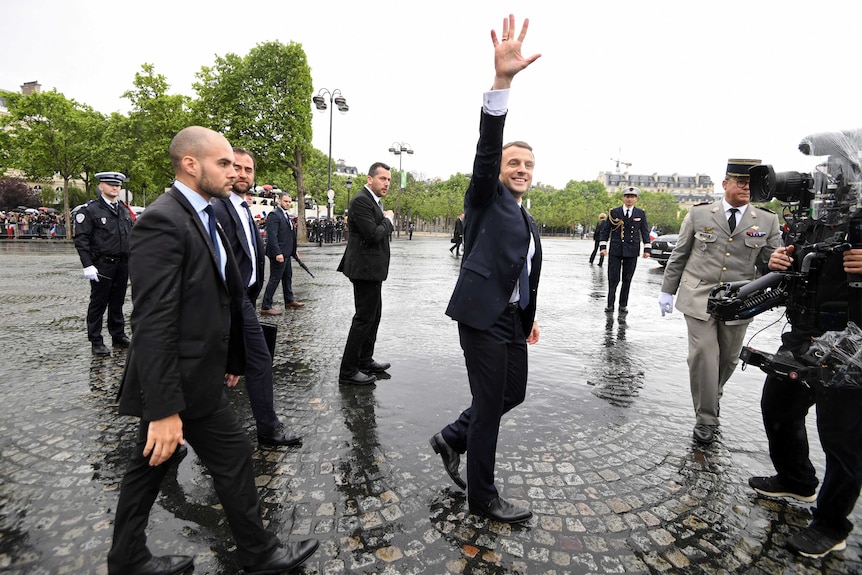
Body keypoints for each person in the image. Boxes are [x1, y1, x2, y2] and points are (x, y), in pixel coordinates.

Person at [107, 126, 318, 575]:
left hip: (196, 371)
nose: (233, 171)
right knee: (228, 456)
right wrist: (165, 409)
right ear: (190, 164)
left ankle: (127, 558)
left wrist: (230, 359)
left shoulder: (207, 214)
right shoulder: (165, 219)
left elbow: (220, 295)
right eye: (222, 163)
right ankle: (258, 554)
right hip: (178, 379)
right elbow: (153, 319)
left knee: (152, 463)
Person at [430, 14, 542, 524]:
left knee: (512, 393)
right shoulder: (484, 197)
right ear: (500, 169)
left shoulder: (525, 216)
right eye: (513, 164)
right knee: (490, 402)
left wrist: (527, 312)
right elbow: (486, 148)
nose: (520, 170)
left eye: (528, 166)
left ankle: (452, 436)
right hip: (480, 318)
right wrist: (502, 83)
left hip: (511, 318)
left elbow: (521, 267)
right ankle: (483, 496)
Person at [747, 157, 862, 557]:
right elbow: (793, 262)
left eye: (839, 170)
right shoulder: (816, 217)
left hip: (853, 343)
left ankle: (832, 524)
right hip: (804, 332)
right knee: (777, 405)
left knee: (841, 436)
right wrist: (779, 260)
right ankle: (796, 479)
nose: (827, 178)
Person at [659, 159, 781, 444]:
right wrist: (667, 289)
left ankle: (710, 396)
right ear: (725, 183)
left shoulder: (767, 220)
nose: (746, 188)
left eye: (751, 184)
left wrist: (780, 263)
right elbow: (680, 254)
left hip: (738, 301)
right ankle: (706, 418)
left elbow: (769, 265)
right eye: (740, 182)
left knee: (727, 359)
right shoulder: (699, 214)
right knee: (704, 355)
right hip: (698, 295)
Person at [213, 147, 301, 447]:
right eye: (235, 167)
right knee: (255, 362)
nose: (242, 174)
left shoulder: (242, 207)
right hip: (226, 302)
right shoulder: (218, 207)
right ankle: (266, 429)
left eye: (248, 169)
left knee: (249, 362)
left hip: (245, 299)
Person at [336, 162, 395, 386]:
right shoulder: (361, 201)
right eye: (382, 178)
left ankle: (364, 360)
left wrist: (384, 218)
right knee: (363, 319)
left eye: (389, 180)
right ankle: (348, 371)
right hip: (364, 271)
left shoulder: (373, 202)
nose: (386, 183)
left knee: (374, 316)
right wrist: (388, 219)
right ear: (370, 179)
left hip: (372, 271)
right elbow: (373, 234)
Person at [73, 171, 134, 356]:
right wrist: (87, 264)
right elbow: (82, 239)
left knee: (117, 302)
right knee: (98, 303)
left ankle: (118, 335)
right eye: (110, 184)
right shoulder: (90, 210)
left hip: (122, 263)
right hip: (102, 264)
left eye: (117, 185)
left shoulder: (123, 209)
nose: (115, 187)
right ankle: (96, 340)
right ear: (101, 186)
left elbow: (131, 235)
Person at [599, 186, 651, 314]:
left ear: (636, 199)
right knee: (613, 278)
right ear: (623, 198)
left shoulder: (640, 213)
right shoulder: (614, 212)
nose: (629, 199)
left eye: (632, 197)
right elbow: (606, 230)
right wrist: (603, 247)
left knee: (627, 279)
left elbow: (644, 231)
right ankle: (610, 304)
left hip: (632, 250)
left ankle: (623, 305)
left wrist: (647, 249)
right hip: (616, 249)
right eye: (627, 197)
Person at [261, 192, 304, 315]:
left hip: (287, 253)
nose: (288, 204)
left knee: (287, 278)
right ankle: (266, 305)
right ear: (279, 201)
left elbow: (289, 235)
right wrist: (277, 253)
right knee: (274, 279)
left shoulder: (285, 215)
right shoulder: (274, 215)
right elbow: (272, 236)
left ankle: (289, 300)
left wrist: (293, 250)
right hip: (279, 254)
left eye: (290, 202)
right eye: (285, 201)